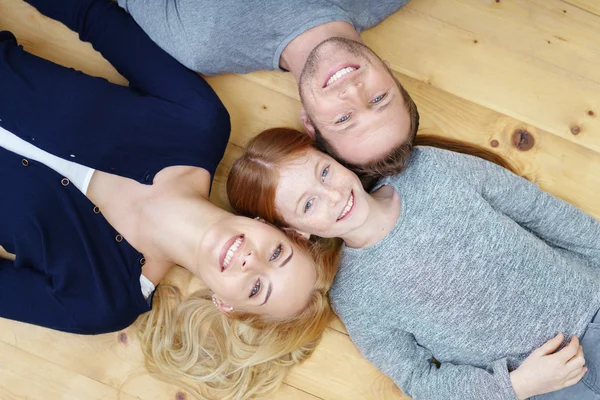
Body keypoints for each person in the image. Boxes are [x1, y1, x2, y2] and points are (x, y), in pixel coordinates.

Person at [0, 1, 338, 398]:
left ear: (226, 305)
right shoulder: (198, 120)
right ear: (272, 226)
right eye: (277, 254)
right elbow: (92, 14)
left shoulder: (101, 302)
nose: (252, 263)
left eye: (255, 290)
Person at [226, 127, 600, 400]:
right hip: (551, 385)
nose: (334, 195)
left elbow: (537, 210)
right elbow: (419, 380)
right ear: (295, 231)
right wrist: (516, 387)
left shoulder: (428, 168)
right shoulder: (354, 295)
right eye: (308, 204)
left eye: (324, 172)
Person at [115, 0, 419, 176]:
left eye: (343, 119)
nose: (353, 93)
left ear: (310, 123)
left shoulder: (203, 44)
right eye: (379, 98)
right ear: (391, 74)